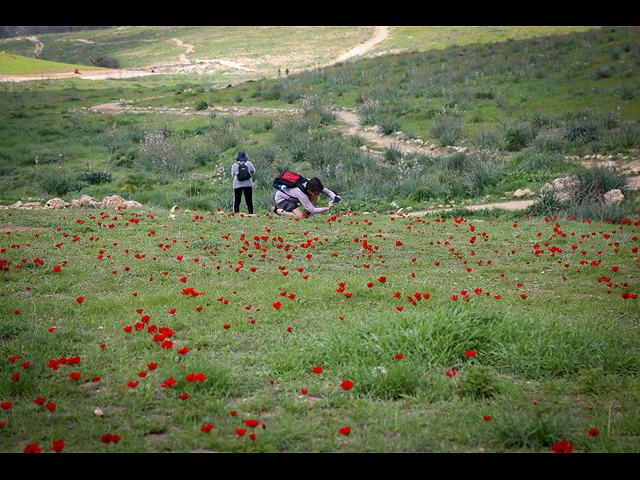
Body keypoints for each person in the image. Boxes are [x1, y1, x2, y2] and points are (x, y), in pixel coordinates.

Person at [269, 176, 341, 219]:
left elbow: (327, 192)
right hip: (282, 198)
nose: (319, 194)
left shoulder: (311, 183)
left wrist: (335, 197)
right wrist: (327, 208)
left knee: (314, 197)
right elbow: (312, 209)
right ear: (309, 191)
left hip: (293, 196)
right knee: (299, 216)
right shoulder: (300, 193)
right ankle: (275, 210)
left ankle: (308, 214)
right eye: (317, 193)